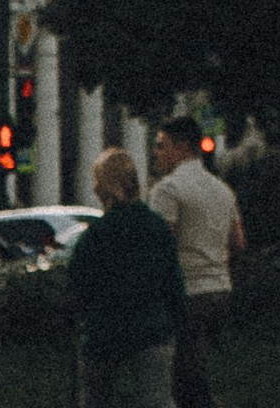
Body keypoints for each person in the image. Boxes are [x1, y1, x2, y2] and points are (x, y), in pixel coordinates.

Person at [66, 147, 186, 408]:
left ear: (104, 188)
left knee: (96, 400)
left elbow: (77, 286)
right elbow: (173, 283)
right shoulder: (156, 227)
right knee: (157, 401)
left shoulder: (96, 234)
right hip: (152, 328)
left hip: (104, 331)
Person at [148, 119, 242, 408]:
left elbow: (161, 246)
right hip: (220, 290)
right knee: (195, 373)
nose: (155, 152)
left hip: (187, 292)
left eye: (161, 145)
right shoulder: (222, 190)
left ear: (182, 147)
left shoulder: (167, 190)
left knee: (184, 381)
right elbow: (238, 242)